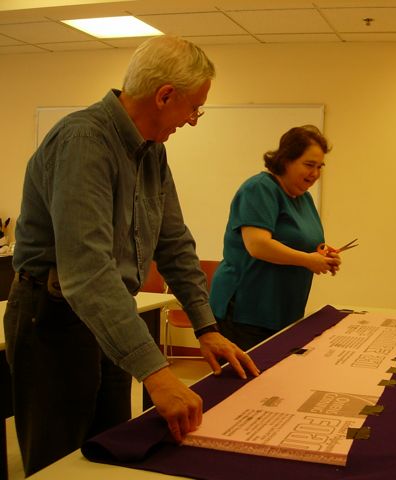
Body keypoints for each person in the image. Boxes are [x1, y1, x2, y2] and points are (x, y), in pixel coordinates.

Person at [3, 35, 259, 476]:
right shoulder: (84, 141)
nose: (193, 120)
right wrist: (157, 373)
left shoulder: (152, 152)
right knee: (60, 464)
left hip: (108, 319)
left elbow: (175, 243)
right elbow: (87, 273)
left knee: (108, 454)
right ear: (164, 96)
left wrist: (206, 326)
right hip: (54, 322)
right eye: (194, 108)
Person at [209, 125, 340, 351]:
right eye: (309, 165)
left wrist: (323, 254)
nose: (315, 173)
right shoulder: (260, 188)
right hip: (247, 312)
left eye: (320, 167)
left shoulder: (303, 198)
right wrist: (308, 260)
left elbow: (301, 242)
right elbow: (258, 245)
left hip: (282, 311)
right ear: (286, 159)